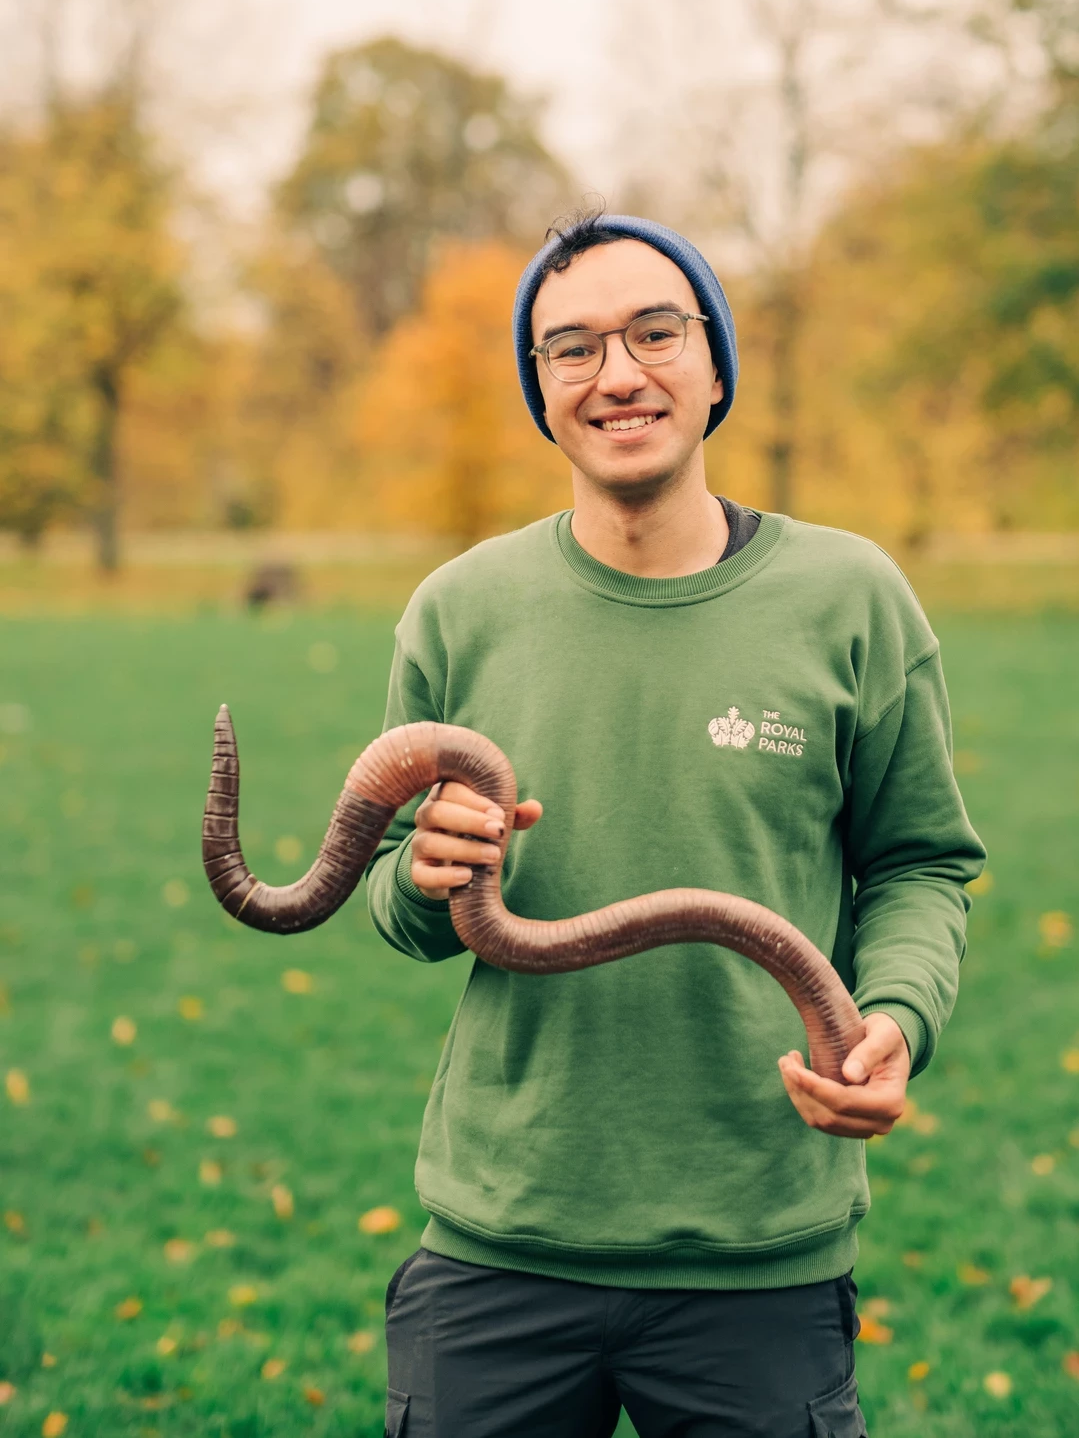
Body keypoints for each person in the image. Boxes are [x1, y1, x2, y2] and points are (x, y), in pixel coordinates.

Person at [366, 211, 985, 1438]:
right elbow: (398, 900)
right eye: (571, 348)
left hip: (757, 1249)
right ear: (540, 392)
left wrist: (898, 1018)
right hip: (501, 1243)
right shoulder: (459, 610)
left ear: (713, 368)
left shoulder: (847, 597)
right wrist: (421, 881)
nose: (618, 373)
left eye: (656, 331)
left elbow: (918, 861)